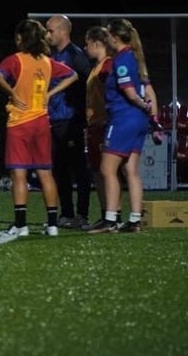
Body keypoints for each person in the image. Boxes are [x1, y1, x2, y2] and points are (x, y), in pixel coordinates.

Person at [0, 19, 78, 237]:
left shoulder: (16, 60)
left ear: (21, 38)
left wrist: (12, 93)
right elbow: (73, 75)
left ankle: (21, 225)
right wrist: (49, 94)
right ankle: (52, 225)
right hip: (41, 122)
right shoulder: (47, 62)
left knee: (19, 175)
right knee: (46, 173)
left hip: (20, 123)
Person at [88, 19, 162, 234]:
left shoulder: (120, 60)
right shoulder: (136, 58)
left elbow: (130, 93)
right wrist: (153, 117)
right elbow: (149, 90)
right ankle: (135, 220)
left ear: (114, 38)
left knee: (106, 169)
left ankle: (110, 220)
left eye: (108, 35)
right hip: (137, 121)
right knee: (131, 170)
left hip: (123, 119)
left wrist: (144, 106)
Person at [45, 14, 94, 228]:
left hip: (71, 121)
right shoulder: (52, 56)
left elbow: (88, 86)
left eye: (50, 30)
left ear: (63, 31)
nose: (47, 35)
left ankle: (82, 214)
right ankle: (67, 213)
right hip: (53, 120)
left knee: (79, 168)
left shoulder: (76, 56)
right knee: (59, 168)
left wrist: (82, 113)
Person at [82, 25, 114, 230]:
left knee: (106, 171)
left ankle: (112, 215)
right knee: (97, 171)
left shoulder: (108, 66)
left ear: (96, 43)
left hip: (103, 124)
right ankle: (106, 215)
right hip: (95, 125)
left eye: (87, 44)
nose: (85, 48)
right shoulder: (97, 66)